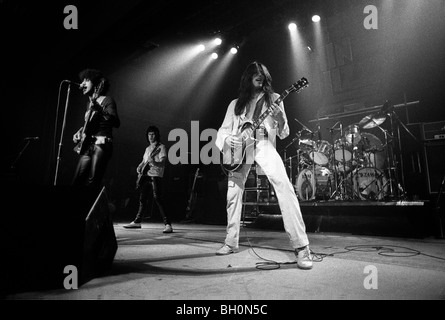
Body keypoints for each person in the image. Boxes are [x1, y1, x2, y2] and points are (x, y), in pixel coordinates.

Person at [215, 61, 312, 269]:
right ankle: (231, 242)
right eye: (254, 72)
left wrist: (280, 118)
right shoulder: (235, 104)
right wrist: (227, 140)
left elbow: (284, 132)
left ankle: (302, 247)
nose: (259, 75)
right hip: (239, 149)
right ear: (248, 77)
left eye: (262, 73)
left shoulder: (275, 99)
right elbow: (223, 130)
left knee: (284, 187)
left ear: (266, 77)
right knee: (233, 196)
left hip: (263, 143)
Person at [72, 69, 120, 194]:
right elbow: (91, 124)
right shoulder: (89, 103)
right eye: (82, 81)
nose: (82, 83)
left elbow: (116, 122)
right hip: (88, 144)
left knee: (93, 182)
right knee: (77, 180)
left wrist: (99, 108)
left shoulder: (107, 100)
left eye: (86, 80)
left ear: (96, 84)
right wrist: (80, 132)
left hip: (102, 143)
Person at [123, 126, 173, 233]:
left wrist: (154, 162)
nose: (151, 136)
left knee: (158, 198)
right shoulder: (147, 149)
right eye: (149, 134)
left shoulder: (161, 147)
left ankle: (168, 224)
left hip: (156, 175)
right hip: (145, 176)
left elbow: (163, 162)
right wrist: (139, 166)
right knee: (142, 199)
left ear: (157, 135)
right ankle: (137, 221)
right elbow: (144, 161)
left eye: (153, 134)